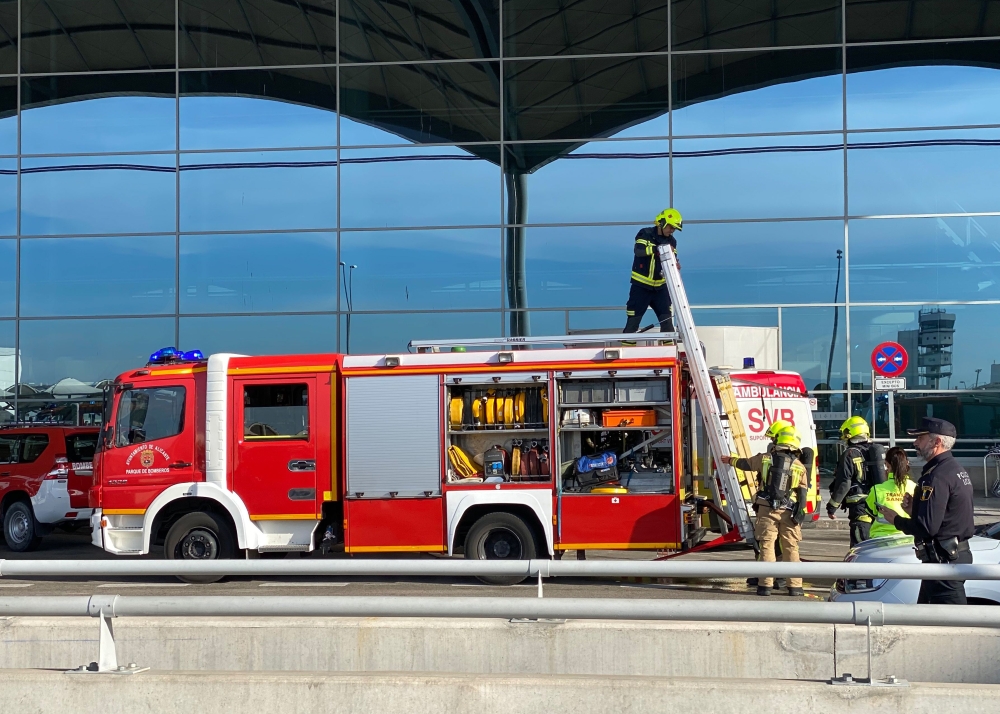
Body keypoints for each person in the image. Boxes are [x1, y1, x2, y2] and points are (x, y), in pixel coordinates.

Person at [877, 417, 974, 604]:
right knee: (927, 624)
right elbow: (947, 516)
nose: (915, 443)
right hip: (947, 559)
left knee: (952, 627)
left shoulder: (936, 476)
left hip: (944, 564)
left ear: (936, 442)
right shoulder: (954, 469)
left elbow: (926, 527)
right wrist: (916, 509)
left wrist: (896, 519)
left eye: (920, 438)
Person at [723, 426, 809, 597]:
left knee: (767, 546)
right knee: (791, 548)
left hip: (766, 510)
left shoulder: (765, 459)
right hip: (789, 512)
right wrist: (800, 513)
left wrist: (729, 460)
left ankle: (765, 586)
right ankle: (795, 587)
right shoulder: (799, 466)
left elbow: (745, 464)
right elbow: (803, 492)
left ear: (778, 441)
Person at [623, 208, 682, 341]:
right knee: (632, 325)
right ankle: (625, 356)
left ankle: (668, 356)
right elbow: (639, 251)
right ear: (662, 223)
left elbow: (673, 258)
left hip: (660, 289)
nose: (672, 230)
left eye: (674, 228)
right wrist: (658, 248)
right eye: (671, 227)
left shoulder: (672, 241)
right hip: (641, 288)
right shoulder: (645, 234)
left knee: (667, 326)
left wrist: (676, 264)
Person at [826, 416, 886, 547]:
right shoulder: (874, 452)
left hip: (860, 508)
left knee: (860, 548)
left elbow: (844, 483)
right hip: (878, 507)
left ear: (849, 434)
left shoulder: (849, 454)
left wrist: (832, 506)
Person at [864, 446, 916, 539]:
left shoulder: (877, 490)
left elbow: (871, 512)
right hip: (909, 539)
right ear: (907, 463)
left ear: (886, 465)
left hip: (881, 539)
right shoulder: (915, 487)